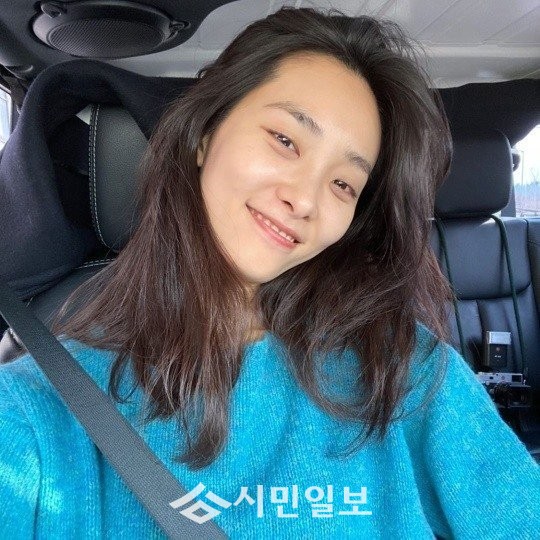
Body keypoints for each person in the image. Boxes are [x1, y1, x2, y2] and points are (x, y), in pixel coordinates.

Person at [0, 6, 538, 539]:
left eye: (344, 184)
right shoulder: (36, 410)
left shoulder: (404, 370)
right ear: (205, 134)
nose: (305, 200)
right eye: (285, 140)